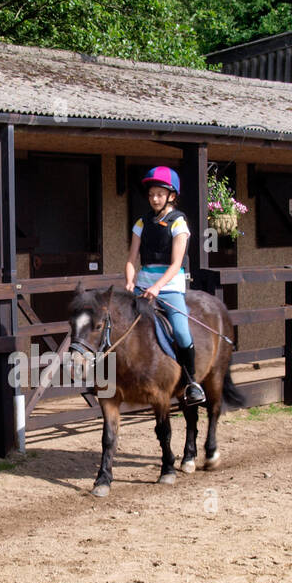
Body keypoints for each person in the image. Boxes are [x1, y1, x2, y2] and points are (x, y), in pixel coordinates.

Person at [125, 165, 205, 406]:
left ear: (171, 195)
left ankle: (192, 383)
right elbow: (131, 259)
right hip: (142, 287)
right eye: (151, 195)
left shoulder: (178, 223)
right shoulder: (141, 222)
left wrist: (158, 287)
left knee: (180, 331)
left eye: (159, 194)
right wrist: (130, 281)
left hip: (169, 288)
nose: (154, 199)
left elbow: (176, 264)